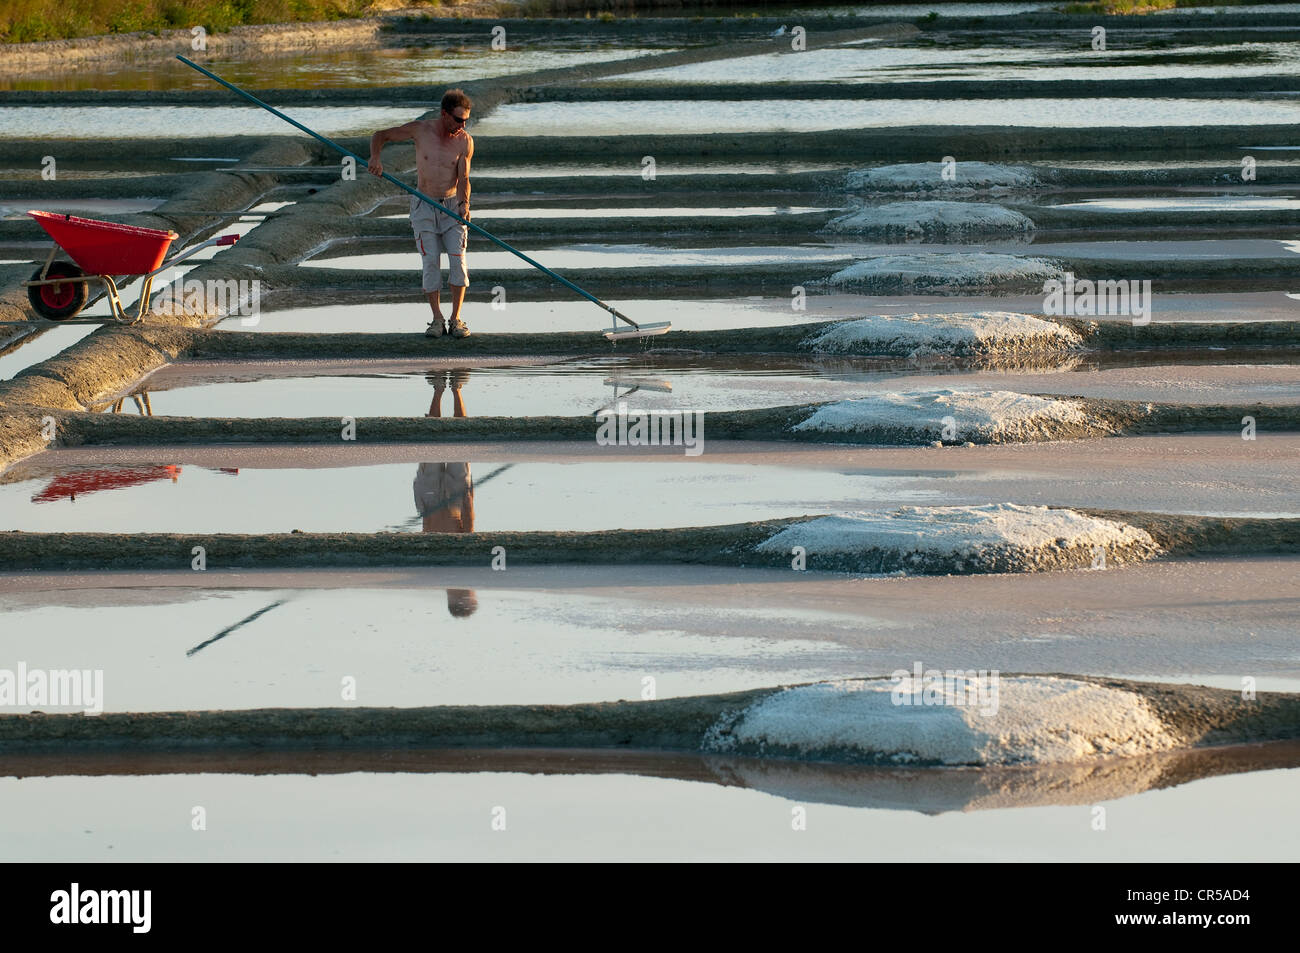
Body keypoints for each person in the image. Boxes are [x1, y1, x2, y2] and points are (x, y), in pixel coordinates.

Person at [367, 89, 474, 339]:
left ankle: (456, 319)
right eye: (459, 119)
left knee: (459, 263)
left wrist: (464, 205)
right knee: (430, 264)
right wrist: (375, 158)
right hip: (423, 205)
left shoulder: (465, 141)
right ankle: (437, 319)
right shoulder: (420, 130)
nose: (463, 125)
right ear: (444, 114)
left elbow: (464, 178)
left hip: (451, 206)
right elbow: (380, 136)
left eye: (466, 120)